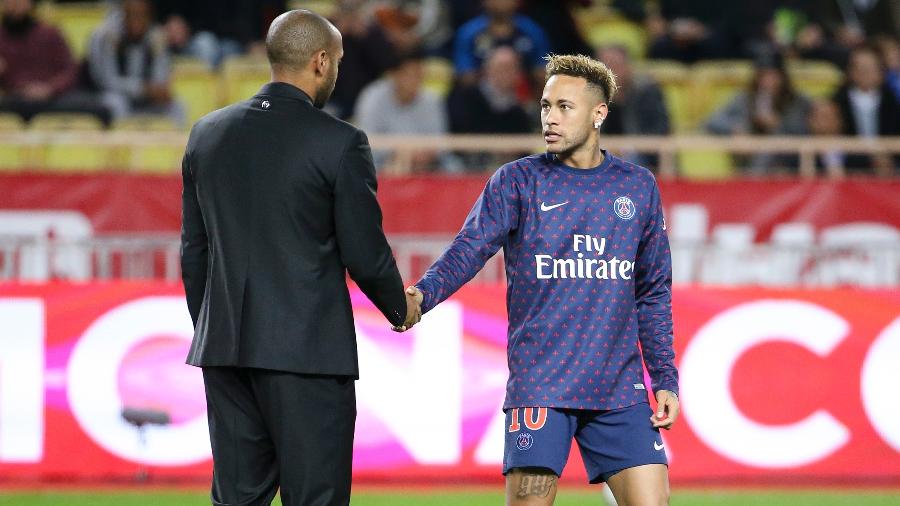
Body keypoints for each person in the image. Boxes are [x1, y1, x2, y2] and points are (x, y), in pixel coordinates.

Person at [401, 54, 680, 505]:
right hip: (542, 385)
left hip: (618, 390)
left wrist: (664, 376)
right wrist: (422, 295)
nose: (549, 117)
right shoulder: (517, 181)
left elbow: (652, 290)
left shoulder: (637, 187)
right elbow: (470, 249)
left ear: (599, 113)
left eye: (564, 107)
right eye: (545, 106)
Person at [180, 9, 419, 506]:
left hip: (225, 351)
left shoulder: (207, 134)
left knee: (237, 499)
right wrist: (401, 307)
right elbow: (364, 252)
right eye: (338, 63)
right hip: (307, 356)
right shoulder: (340, 142)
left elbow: (194, 250)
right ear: (321, 61)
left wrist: (214, 324)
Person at [0, 0, 110, 123]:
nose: (14, 4)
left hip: (53, 99)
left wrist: (49, 89)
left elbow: (70, 71)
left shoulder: (49, 33)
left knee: (99, 109)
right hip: (15, 100)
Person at [87, 0, 185, 125]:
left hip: (146, 101)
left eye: (142, 15)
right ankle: (121, 142)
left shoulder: (157, 37)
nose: (137, 21)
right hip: (112, 96)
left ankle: (176, 143)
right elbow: (106, 82)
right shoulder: (104, 36)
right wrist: (141, 89)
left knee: (177, 106)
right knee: (116, 103)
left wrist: (160, 91)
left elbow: (160, 80)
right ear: (124, 13)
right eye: (132, 14)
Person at [596, 45, 670, 170]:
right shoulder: (590, 95)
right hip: (602, 150)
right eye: (604, 67)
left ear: (628, 67)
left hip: (640, 152)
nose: (609, 72)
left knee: (628, 161)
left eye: (615, 65)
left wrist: (628, 146)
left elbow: (661, 129)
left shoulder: (647, 91)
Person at [832, 45, 900, 175]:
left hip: (891, 165)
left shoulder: (893, 102)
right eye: (861, 69)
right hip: (850, 167)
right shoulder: (839, 102)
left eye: (871, 68)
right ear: (851, 72)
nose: (866, 74)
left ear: (881, 71)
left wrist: (887, 157)